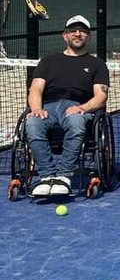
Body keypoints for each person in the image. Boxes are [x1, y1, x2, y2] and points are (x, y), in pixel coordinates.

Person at [26, 15, 109, 197]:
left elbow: (101, 96)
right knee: (32, 123)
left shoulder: (97, 64)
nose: (78, 34)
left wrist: (83, 108)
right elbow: (36, 89)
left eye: (83, 31)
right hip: (48, 107)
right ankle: (47, 176)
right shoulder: (48, 61)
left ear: (88, 36)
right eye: (73, 31)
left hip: (77, 107)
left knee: (76, 122)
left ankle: (63, 176)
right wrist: (36, 109)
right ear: (65, 36)